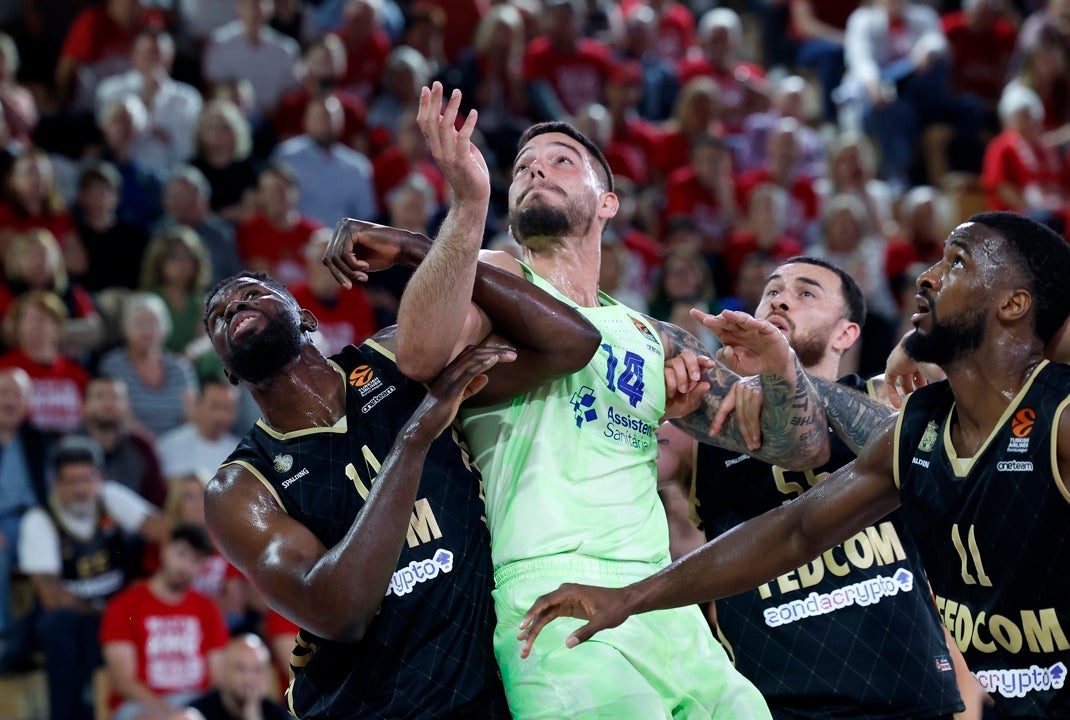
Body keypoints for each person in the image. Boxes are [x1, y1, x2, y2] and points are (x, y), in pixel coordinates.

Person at [324, 82, 831, 719]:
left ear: (609, 202)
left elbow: (796, 446)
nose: (536, 167)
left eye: (562, 159)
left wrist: (782, 369)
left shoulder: (650, 337)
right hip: (549, 591)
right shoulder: (496, 280)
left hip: (660, 601)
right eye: (523, 167)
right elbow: (422, 355)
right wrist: (468, 202)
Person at [517, 211, 1070, 718]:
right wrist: (629, 598)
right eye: (772, 291)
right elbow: (795, 531)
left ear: (1014, 304)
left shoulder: (1043, 417)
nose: (925, 277)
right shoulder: (918, 430)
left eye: (955, 262)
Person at [202, 233, 603, 718]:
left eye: (250, 294)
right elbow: (339, 611)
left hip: (486, 690)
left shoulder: (400, 360)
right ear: (227, 370)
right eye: (217, 318)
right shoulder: (241, 486)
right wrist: (416, 436)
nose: (232, 308)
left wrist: (419, 250)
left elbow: (573, 343)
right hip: (364, 708)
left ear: (305, 317)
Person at [657, 256, 972, 719]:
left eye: (806, 293)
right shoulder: (707, 429)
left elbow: (912, 443)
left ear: (846, 333)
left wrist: (786, 374)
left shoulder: (884, 399)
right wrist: (674, 381)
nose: (781, 298)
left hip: (908, 697)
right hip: (775, 705)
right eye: (772, 291)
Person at [18, 435, 167, 720]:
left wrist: (154, 578)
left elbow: (163, 530)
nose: (81, 489)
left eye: (87, 479)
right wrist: (106, 611)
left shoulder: (109, 497)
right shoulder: (39, 519)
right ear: (55, 484)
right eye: (71, 481)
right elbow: (52, 598)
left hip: (119, 607)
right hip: (78, 615)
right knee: (57, 625)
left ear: (99, 479)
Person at [100, 522, 229, 720]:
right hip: (141, 706)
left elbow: (218, 676)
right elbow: (123, 681)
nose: (186, 566)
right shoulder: (124, 605)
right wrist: (171, 714)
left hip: (197, 704)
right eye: (181, 554)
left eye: (196, 560)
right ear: (164, 549)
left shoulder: (207, 608)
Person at [188, 634, 289, 720]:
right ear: (224, 670)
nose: (250, 678)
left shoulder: (278, 714)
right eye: (241, 669)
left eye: (257, 669)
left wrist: (253, 714)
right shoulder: (197, 714)